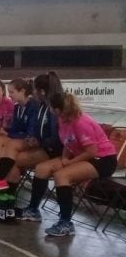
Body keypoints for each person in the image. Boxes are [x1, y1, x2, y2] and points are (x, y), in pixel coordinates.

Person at [23, 92, 117, 236]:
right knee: (42, 168)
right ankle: (33, 210)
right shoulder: (62, 119)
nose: (49, 110)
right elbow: (68, 141)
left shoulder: (81, 123)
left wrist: (70, 163)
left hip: (102, 160)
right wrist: (64, 158)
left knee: (62, 176)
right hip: (80, 155)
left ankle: (66, 223)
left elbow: (91, 151)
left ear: (58, 109)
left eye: (50, 107)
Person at [3, 72, 65, 220]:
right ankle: (7, 202)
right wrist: (33, 138)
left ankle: (32, 208)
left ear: (42, 92)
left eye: (35, 90)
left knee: (16, 162)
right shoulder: (42, 105)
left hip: (54, 150)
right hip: (44, 146)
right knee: (12, 161)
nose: (33, 93)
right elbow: (39, 130)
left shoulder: (55, 109)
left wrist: (40, 142)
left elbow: (57, 137)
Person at [0, 78, 41, 192]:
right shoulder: (18, 107)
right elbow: (15, 129)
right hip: (21, 139)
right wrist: (7, 132)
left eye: (12, 92)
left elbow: (31, 132)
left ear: (22, 91)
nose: (10, 95)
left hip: (32, 141)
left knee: (3, 147)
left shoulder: (34, 106)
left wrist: (10, 133)